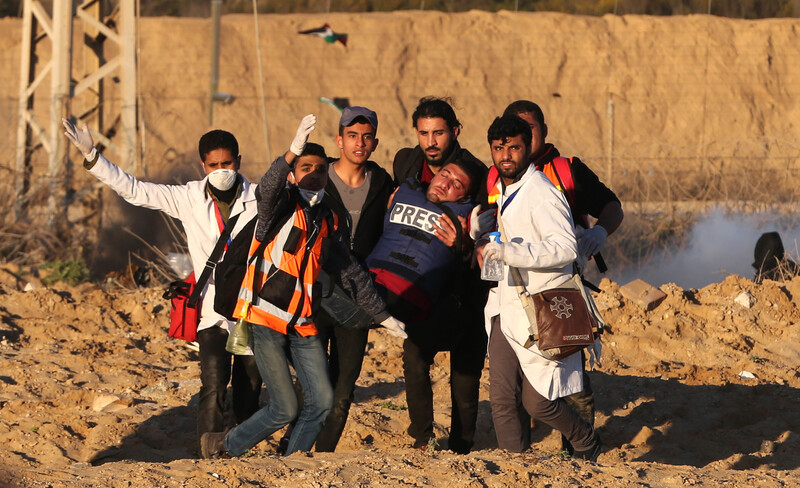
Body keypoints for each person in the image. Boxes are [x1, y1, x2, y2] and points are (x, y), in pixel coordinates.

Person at [199, 115, 406, 458]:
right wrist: (291, 152)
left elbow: (350, 271)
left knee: (322, 402)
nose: (313, 174)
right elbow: (266, 188)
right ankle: (222, 444)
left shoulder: (327, 217)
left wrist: (382, 315)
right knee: (285, 407)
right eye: (305, 167)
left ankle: (290, 464)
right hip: (265, 318)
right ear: (294, 174)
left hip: (302, 322)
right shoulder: (277, 207)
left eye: (320, 169)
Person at [62, 119, 262, 455]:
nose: (221, 170)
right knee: (213, 386)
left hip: (254, 311)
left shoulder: (258, 198)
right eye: (213, 165)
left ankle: (240, 447)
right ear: (203, 166)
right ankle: (207, 452)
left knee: (250, 386)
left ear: (238, 162)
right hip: (213, 311)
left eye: (227, 163)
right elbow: (135, 190)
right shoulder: (188, 197)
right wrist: (93, 156)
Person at [477, 100, 623, 453]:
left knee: (547, 398)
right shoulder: (502, 184)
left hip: (544, 306)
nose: (506, 154)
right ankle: (517, 468)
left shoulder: (549, 185)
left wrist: (598, 233)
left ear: (531, 141)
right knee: (502, 396)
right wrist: (479, 234)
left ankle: (583, 444)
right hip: (505, 303)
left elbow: (565, 245)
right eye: (500, 148)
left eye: (514, 145)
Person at [391, 97, 488, 454]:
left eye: (439, 133)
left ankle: (462, 445)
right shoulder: (406, 163)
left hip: (464, 288)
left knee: (466, 373)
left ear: (455, 132)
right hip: (421, 285)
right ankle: (422, 439)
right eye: (424, 133)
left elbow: (489, 238)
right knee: (414, 357)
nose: (431, 141)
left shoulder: (477, 174)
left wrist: (463, 243)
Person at [313, 106, 395, 452]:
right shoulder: (317, 178)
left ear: (374, 143)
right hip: (316, 293)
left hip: (359, 299)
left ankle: (322, 455)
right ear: (339, 140)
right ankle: (299, 445)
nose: (359, 143)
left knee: (345, 385)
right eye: (352, 136)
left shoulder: (382, 184)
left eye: (366, 137)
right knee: (314, 384)